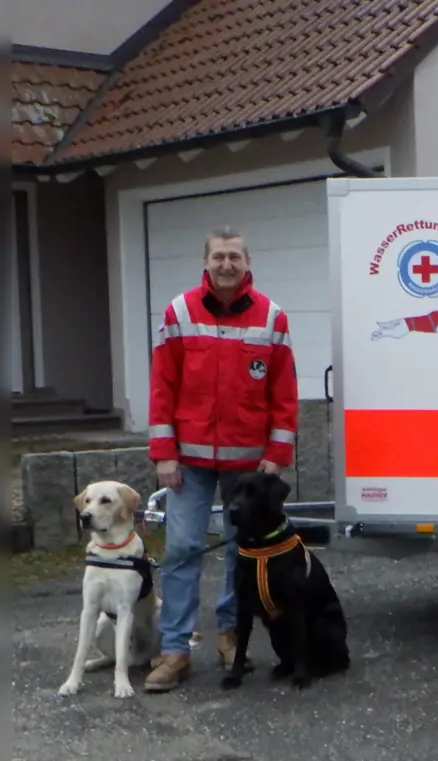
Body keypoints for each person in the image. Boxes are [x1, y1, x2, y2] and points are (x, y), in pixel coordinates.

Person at [144, 226, 299, 692]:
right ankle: (174, 651)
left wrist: (276, 454)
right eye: (219, 257)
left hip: (248, 465)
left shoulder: (272, 317)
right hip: (187, 462)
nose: (227, 264)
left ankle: (231, 636)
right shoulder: (178, 312)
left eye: (234, 256)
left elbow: (285, 394)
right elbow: (161, 388)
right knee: (182, 551)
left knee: (241, 554)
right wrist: (164, 454)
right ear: (206, 262)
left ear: (247, 262)